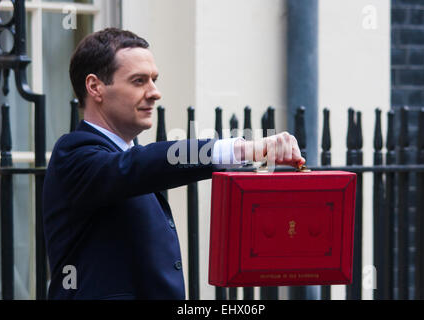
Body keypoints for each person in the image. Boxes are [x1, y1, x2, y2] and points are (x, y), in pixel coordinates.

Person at [42, 28, 305, 300]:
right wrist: (245, 147)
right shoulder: (73, 154)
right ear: (95, 87)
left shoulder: (130, 160)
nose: (155, 93)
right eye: (138, 81)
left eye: (154, 80)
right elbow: (142, 164)